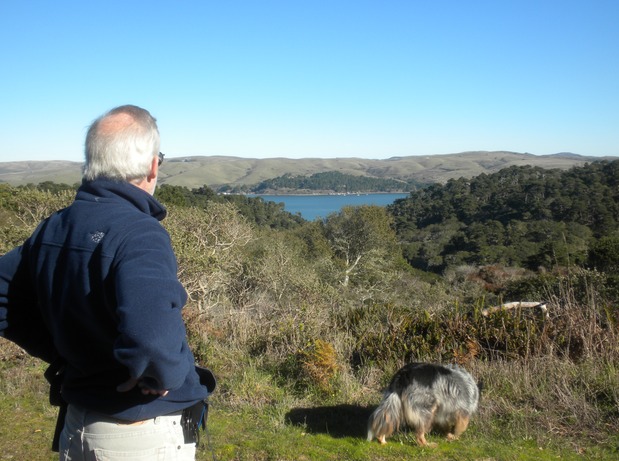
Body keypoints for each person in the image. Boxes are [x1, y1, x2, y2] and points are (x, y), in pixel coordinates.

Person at [0, 105, 212, 460]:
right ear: (153, 165)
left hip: (78, 424)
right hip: (139, 435)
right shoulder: (140, 233)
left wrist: (63, 352)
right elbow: (153, 341)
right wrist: (160, 376)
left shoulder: (57, 225)